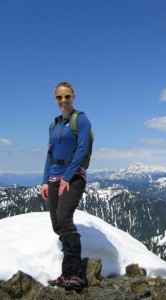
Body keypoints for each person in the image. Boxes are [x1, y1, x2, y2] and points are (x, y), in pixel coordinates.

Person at [41, 81, 91, 291]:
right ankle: (67, 272)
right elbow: (50, 153)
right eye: (59, 97)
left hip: (73, 177)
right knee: (57, 224)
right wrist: (45, 180)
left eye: (67, 96)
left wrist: (67, 178)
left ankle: (76, 274)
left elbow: (81, 150)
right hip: (53, 177)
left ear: (73, 96)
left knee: (64, 219)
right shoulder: (54, 124)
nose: (63, 100)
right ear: (55, 99)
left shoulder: (81, 120)